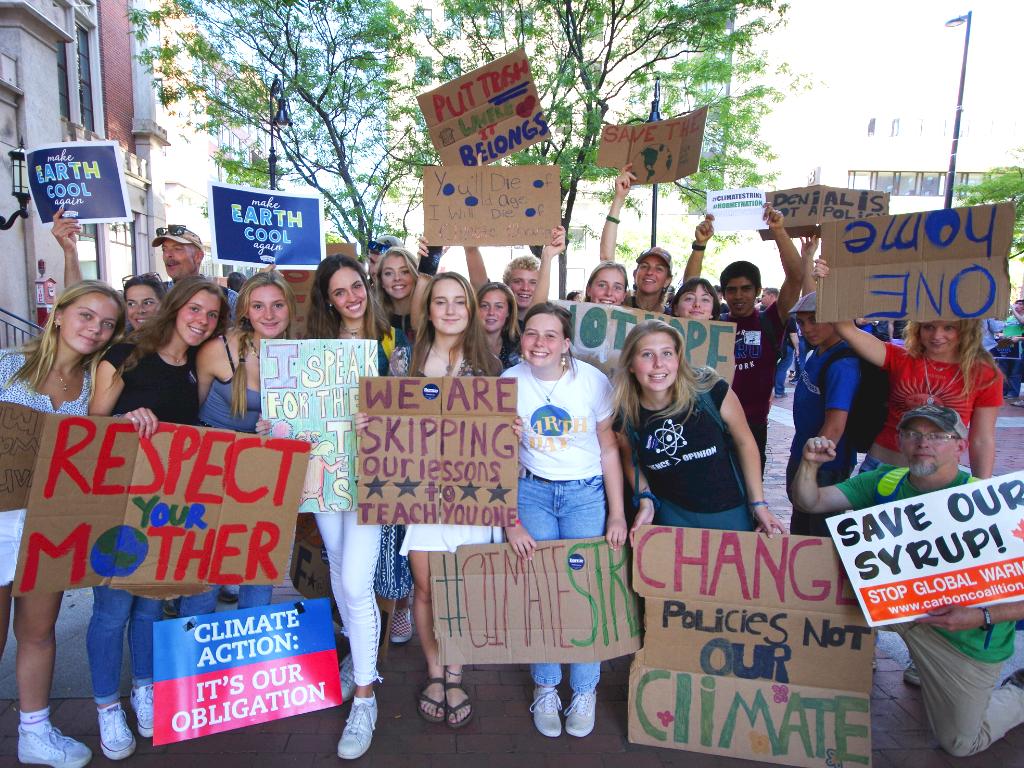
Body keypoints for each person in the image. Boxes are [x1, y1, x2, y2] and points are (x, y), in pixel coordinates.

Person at [791, 404, 1024, 757]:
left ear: (960, 445)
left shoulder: (989, 504)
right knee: (821, 587)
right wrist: (809, 464)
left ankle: (1019, 691)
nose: (923, 443)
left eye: (937, 436)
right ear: (900, 441)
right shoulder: (884, 482)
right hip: (896, 611)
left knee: (961, 743)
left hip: (963, 636)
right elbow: (810, 502)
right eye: (913, 434)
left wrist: (981, 616)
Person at [87, 276, 226, 761]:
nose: (201, 320)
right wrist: (122, 423)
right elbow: (87, 429)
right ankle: (107, 707)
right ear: (175, 307)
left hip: (164, 510)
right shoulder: (125, 355)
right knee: (111, 612)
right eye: (195, 309)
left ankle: (144, 689)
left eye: (211, 315)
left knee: (149, 605)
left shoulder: (194, 367)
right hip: (114, 504)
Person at [1, 281, 124, 768]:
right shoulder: (7, 367)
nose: (95, 329)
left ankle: (34, 733)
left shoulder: (96, 385)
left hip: (51, 523)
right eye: (86, 316)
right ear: (58, 314)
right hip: (0, 520)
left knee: (38, 630)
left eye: (107, 324)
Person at [503, 303, 628, 739]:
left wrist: (617, 512)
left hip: (585, 495)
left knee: (585, 591)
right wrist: (510, 520)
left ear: (566, 343)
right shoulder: (508, 382)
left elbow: (608, 448)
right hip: (532, 492)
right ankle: (546, 686)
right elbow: (497, 458)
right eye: (531, 333)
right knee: (541, 590)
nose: (539, 343)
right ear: (521, 338)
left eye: (550, 335)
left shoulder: (591, 381)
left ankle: (585, 689)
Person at [385, 272, 502, 731]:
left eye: (459, 301)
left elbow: (498, 431)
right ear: (427, 309)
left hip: (471, 494)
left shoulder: (488, 363)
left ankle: (456, 672)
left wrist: (508, 430)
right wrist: (371, 422)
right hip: (420, 493)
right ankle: (435, 671)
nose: (450, 310)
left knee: (464, 589)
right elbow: (388, 422)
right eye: (440, 301)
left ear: (470, 310)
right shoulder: (403, 360)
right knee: (428, 588)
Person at [306, 253, 407, 759]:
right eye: (340, 291)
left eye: (357, 287)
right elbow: (300, 410)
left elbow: (414, 407)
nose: (352, 297)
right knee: (339, 567)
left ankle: (365, 697)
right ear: (327, 300)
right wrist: (276, 424)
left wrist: (385, 416)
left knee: (353, 583)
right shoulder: (312, 348)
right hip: (326, 473)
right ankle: (359, 659)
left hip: (375, 474)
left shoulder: (392, 341)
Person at [812, 256, 1002, 479]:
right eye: (929, 327)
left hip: (939, 481)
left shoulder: (984, 374)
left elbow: (982, 439)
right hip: (881, 472)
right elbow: (847, 329)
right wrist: (828, 282)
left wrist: (980, 488)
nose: (937, 336)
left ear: (965, 330)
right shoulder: (899, 357)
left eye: (949, 328)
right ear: (917, 328)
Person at [176, 272, 297, 618]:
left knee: (259, 560)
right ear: (245, 310)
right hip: (213, 465)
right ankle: (193, 643)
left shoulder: (301, 354)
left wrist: (285, 426)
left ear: (290, 308)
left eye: (277, 305)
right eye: (258, 306)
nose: (269, 315)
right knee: (208, 566)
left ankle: (252, 643)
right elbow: (192, 412)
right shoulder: (218, 350)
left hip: (265, 468)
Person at [612, 319, 785, 535]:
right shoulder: (625, 413)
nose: (658, 364)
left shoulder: (710, 390)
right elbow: (631, 461)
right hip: (672, 516)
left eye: (667, 353)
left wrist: (758, 504)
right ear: (631, 364)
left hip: (729, 511)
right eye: (647, 354)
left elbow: (745, 443)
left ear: (678, 359)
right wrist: (645, 499)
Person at [684, 206, 803, 472]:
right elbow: (689, 292)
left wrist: (779, 231)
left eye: (746, 289)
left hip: (753, 428)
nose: (739, 296)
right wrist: (699, 246)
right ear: (724, 294)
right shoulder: (713, 325)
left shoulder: (771, 321)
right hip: (711, 425)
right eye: (732, 290)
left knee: (750, 492)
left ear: (758, 290)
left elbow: (796, 278)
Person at [784, 293, 861, 535]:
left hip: (825, 464)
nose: (806, 329)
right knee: (801, 527)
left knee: (819, 533)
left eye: (814, 320)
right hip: (803, 451)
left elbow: (835, 426)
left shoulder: (843, 365)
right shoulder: (818, 351)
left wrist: (811, 466)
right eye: (801, 322)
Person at [599, 166, 689, 313]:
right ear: (635, 274)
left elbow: (691, 282)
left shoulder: (675, 318)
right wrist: (619, 198)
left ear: (668, 280)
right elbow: (606, 259)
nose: (650, 272)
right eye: (645, 266)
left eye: (659, 269)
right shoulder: (620, 304)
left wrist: (700, 245)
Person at [151, 225, 238, 317]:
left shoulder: (229, 299)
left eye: (177, 249)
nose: (168, 255)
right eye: (164, 249)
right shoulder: (154, 296)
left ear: (198, 257)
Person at [373, 246, 419, 338]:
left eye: (404, 271)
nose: (397, 278)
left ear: (415, 275)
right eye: (389, 273)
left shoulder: (431, 314)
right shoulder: (373, 319)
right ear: (381, 281)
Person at [477, 281, 521, 369]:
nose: (491, 312)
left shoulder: (517, 345)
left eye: (498, 306)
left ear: (509, 312)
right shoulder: (464, 345)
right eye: (484, 306)